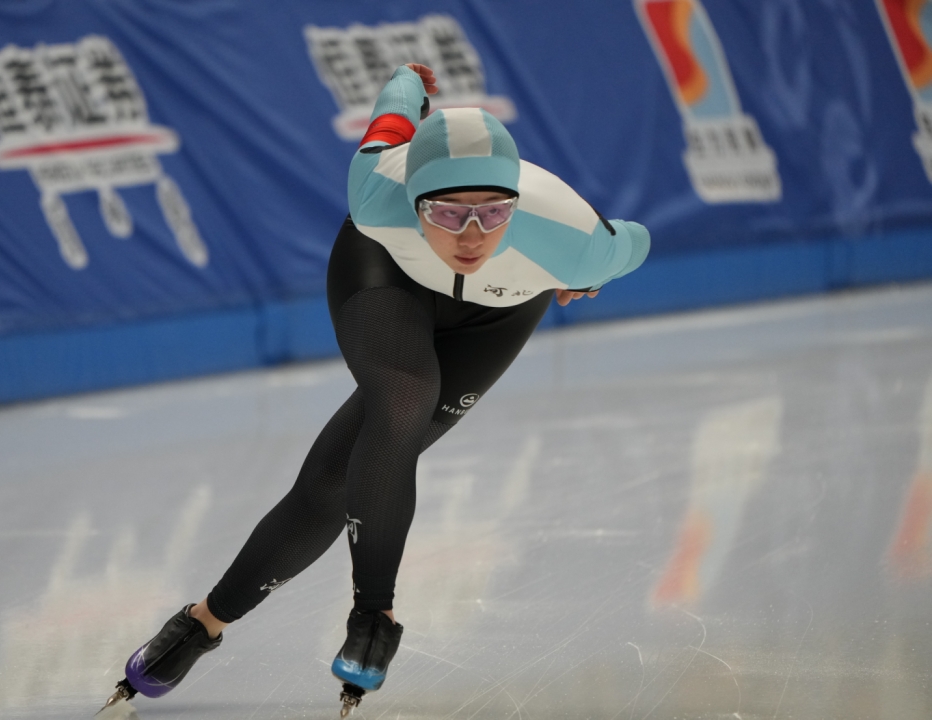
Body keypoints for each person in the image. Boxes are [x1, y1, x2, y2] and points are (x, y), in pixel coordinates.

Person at [99, 63, 649, 717]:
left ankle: (202, 623)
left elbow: (636, 242)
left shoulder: (572, 240)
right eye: (448, 212)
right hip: (385, 273)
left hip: (496, 317)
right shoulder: (376, 187)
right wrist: (409, 80)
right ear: (415, 199)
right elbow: (393, 111)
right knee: (403, 400)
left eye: (494, 213)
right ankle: (374, 614)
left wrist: (591, 274)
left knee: (336, 484)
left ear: (517, 205)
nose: (471, 236)